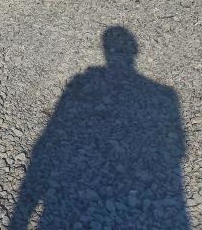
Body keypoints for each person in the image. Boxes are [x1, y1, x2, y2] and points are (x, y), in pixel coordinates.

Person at [10, 26, 188, 229]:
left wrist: (19, 219)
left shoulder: (82, 82)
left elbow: (49, 138)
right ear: (135, 50)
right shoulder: (164, 95)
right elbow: (179, 148)